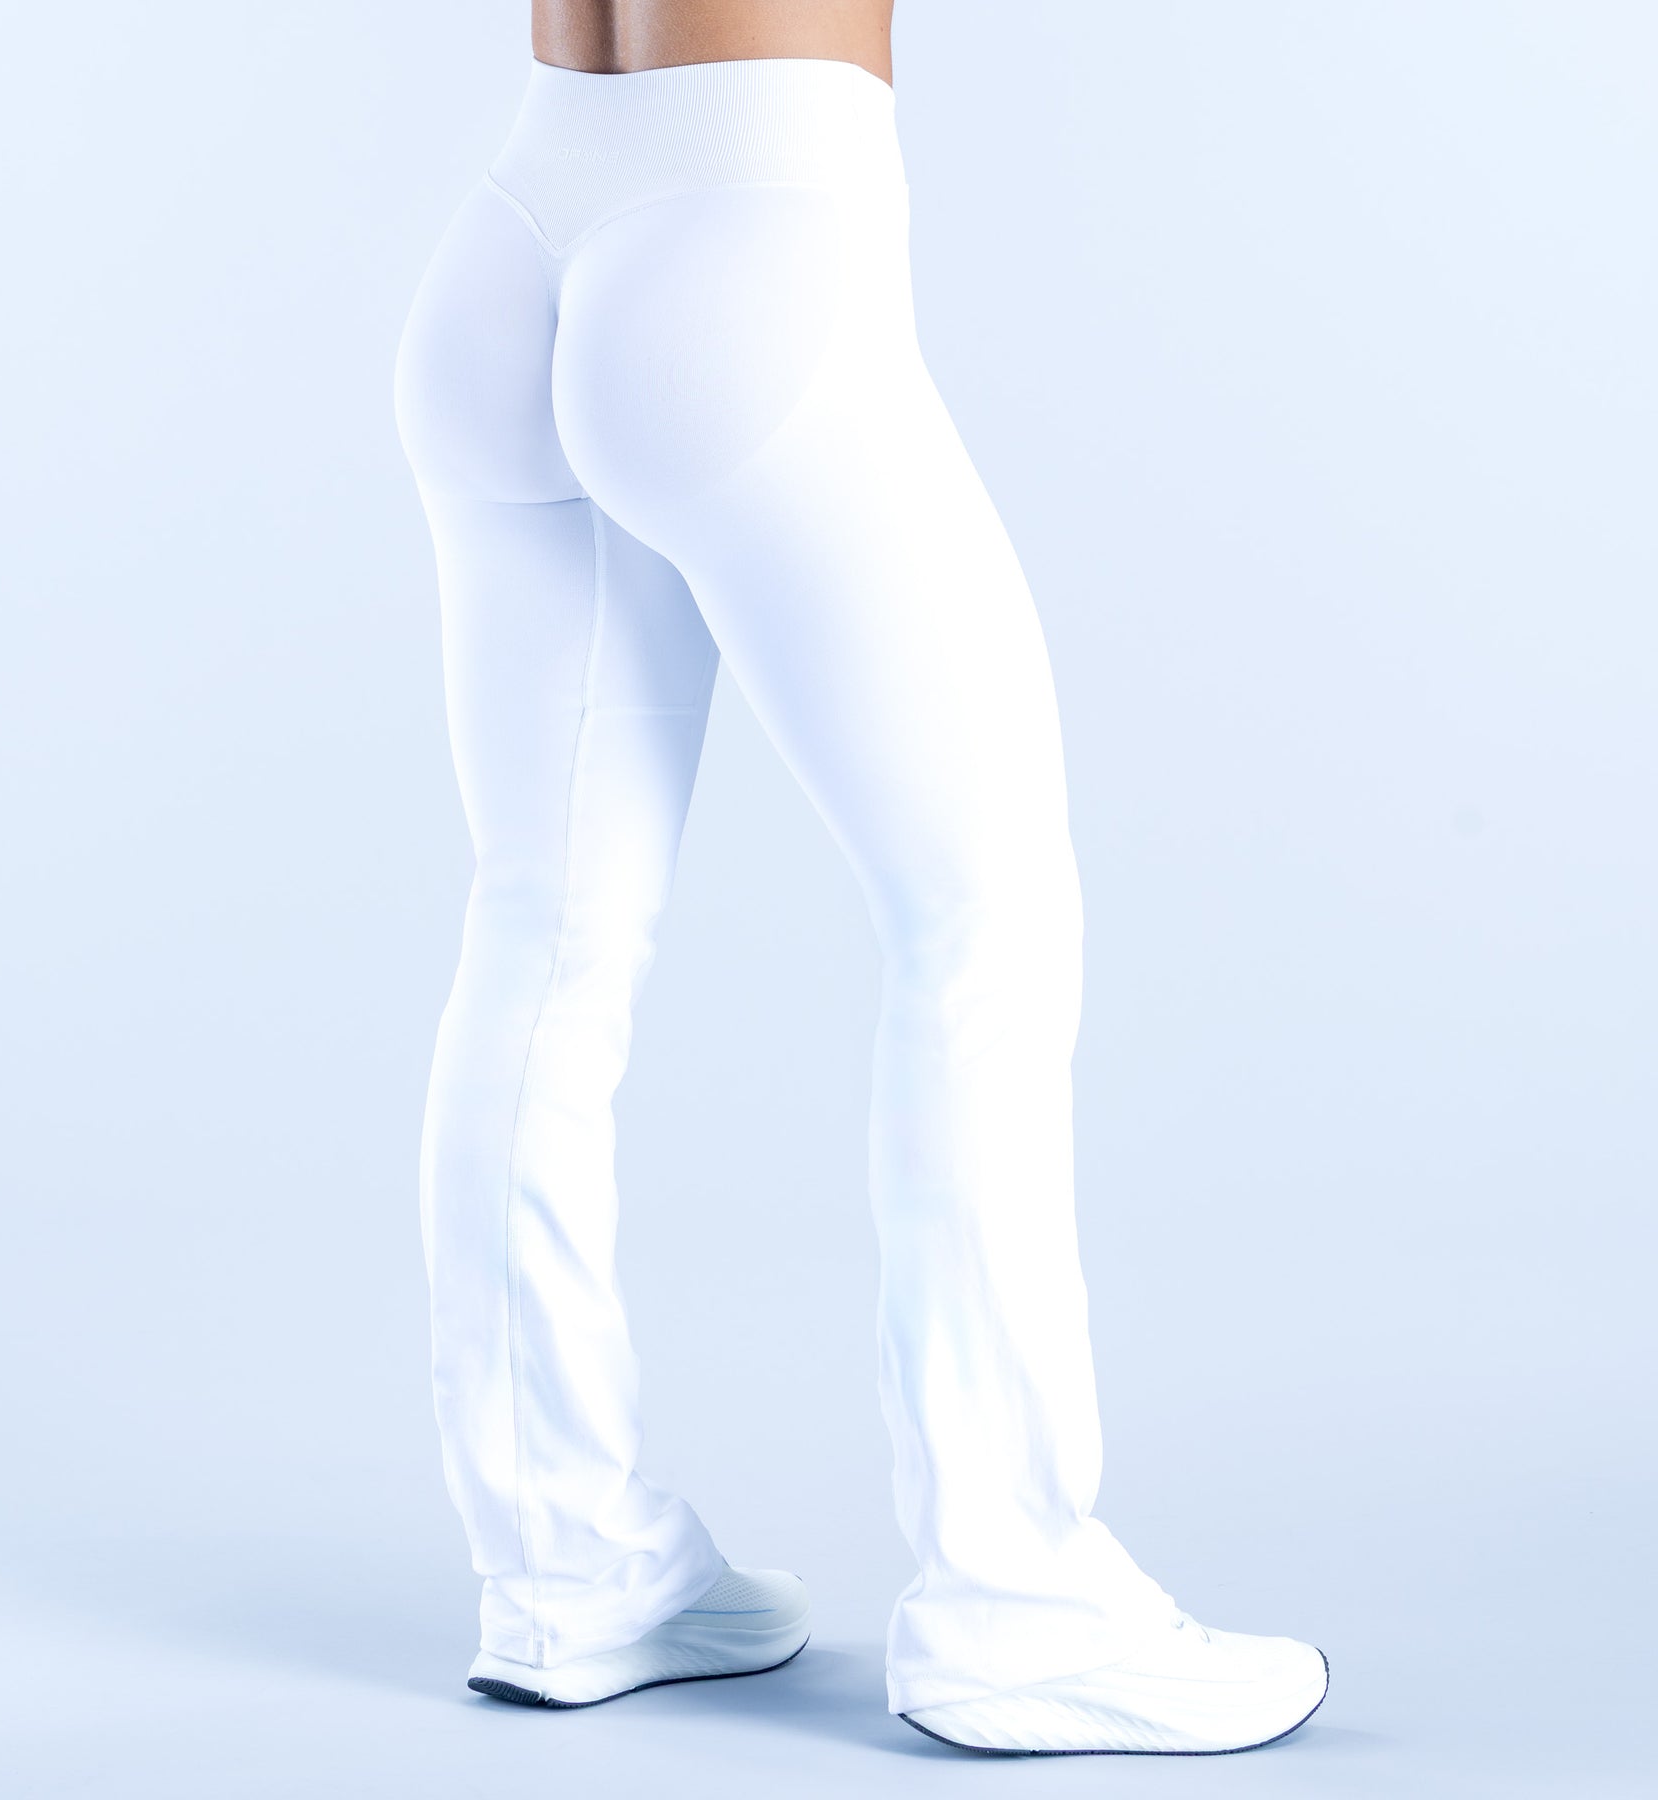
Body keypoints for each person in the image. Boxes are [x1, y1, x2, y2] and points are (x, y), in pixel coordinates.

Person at [392, 0, 1328, 1756]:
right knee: (986, 920)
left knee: (542, 926)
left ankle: (569, 1572)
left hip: (516, 226)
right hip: (748, 233)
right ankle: (1016, 1602)